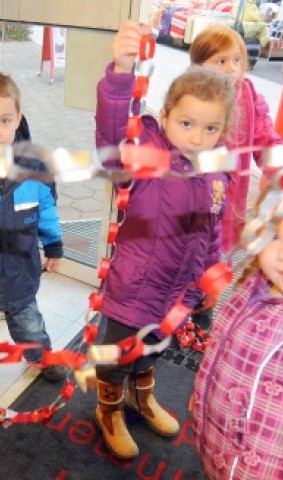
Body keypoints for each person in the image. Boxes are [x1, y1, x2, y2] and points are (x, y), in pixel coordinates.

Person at [94, 20, 236, 460]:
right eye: (187, 123)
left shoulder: (214, 171)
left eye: (210, 129)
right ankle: (109, 408)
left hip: (176, 292)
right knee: (116, 354)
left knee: (154, 346)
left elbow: (210, 232)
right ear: (167, 114)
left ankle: (142, 394)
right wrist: (121, 70)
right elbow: (112, 137)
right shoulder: (149, 156)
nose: (197, 137)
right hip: (133, 287)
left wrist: (209, 280)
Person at [192, 172, 283, 479]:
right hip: (214, 443)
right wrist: (204, 389)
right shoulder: (251, 285)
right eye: (274, 235)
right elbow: (220, 347)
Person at [189, 24, 282, 329]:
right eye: (221, 61)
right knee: (187, 259)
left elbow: (265, 139)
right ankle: (176, 312)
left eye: (237, 60)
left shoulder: (249, 95)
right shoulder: (189, 98)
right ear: (197, 66)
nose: (231, 68)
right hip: (190, 202)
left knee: (216, 262)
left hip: (229, 205)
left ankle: (202, 315)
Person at [0, 72, 68, 382]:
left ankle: (41, 357)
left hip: (19, 275)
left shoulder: (34, 168)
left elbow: (46, 209)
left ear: (17, 120)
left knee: (29, 324)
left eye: (4, 121)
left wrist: (53, 245)